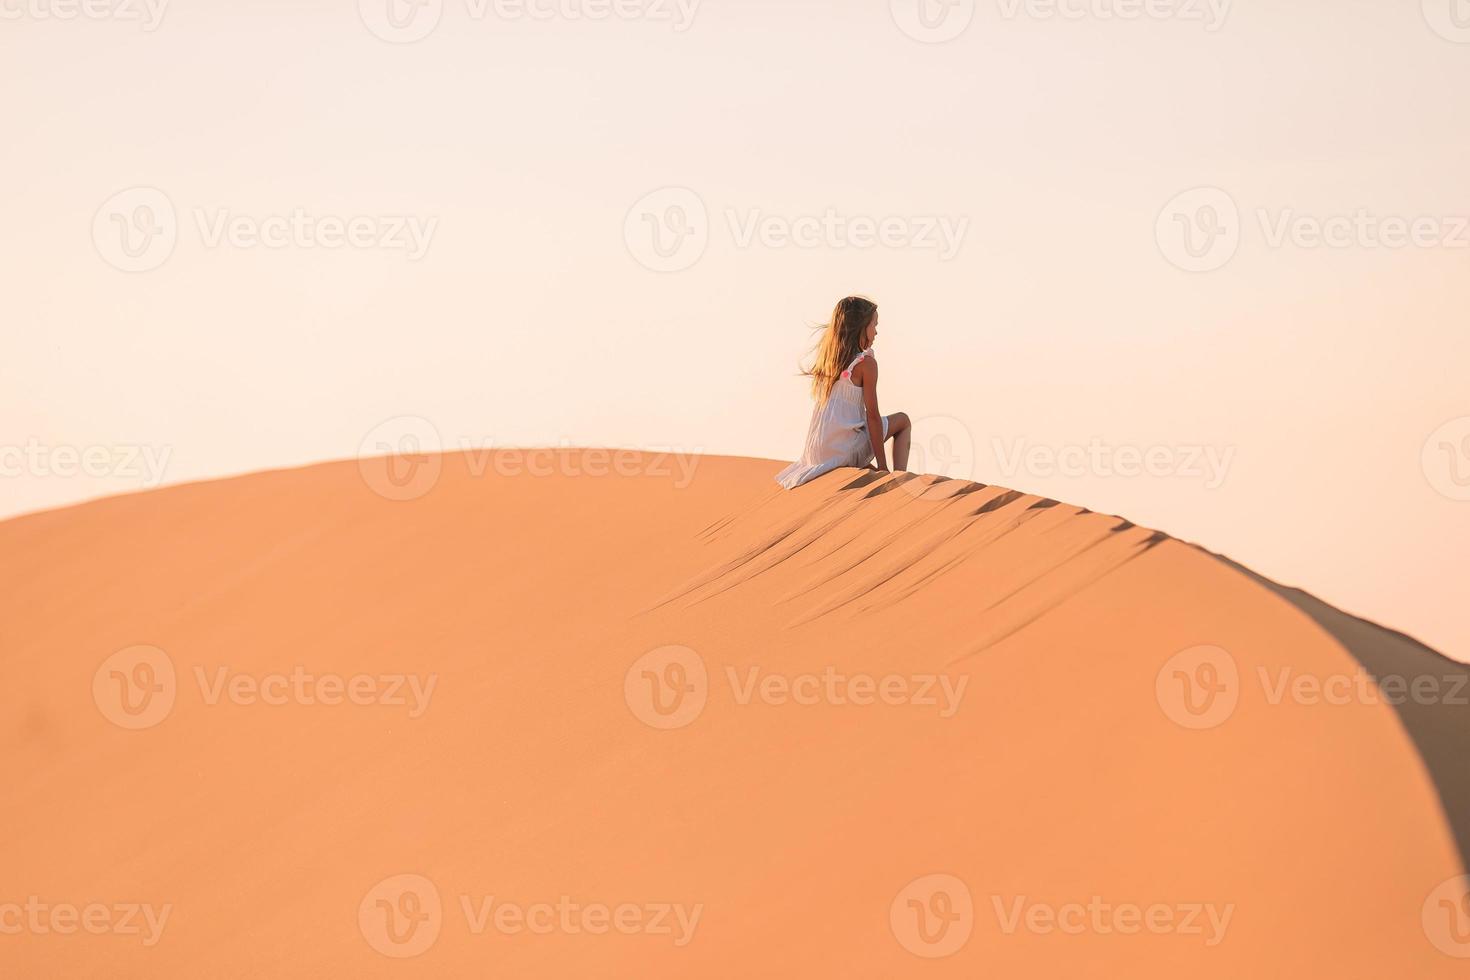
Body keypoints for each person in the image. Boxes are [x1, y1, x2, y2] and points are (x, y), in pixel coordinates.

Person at [775, 296, 911, 490]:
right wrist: (883, 466)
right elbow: (872, 416)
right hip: (844, 448)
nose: (876, 332)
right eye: (874, 325)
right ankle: (899, 479)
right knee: (902, 421)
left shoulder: (828, 363)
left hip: (817, 453)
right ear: (862, 326)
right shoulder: (865, 364)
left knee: (866, 473)